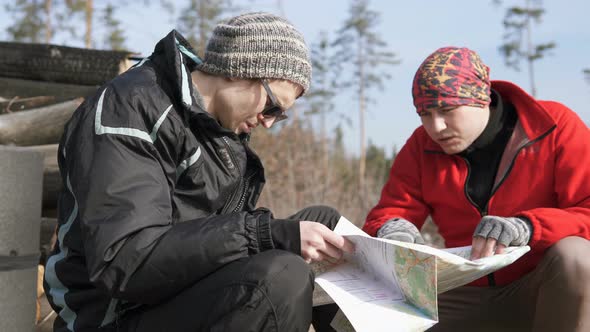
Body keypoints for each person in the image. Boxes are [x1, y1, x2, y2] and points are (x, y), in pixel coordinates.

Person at [44, 12, 353, 332]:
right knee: (280, 279)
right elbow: (125, 261)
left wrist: (275, 236)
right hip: (111, 314)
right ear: (238, 71)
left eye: (280, 115)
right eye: (272, 106)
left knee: (327, 227)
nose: (270, 122)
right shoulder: (130, 108)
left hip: (171, 295)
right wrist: (263, 234)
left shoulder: (216, 129)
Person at [363, 46, 590, 331]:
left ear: (481, 99)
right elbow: (391, 210)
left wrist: (529, 226)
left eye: (447, 110)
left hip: (540, 288)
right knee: (367, 312)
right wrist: (392, 228)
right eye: (425, 113)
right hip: (464, 291)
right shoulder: (421, 146)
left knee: (577, 257)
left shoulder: (555, 125)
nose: (436, 126)